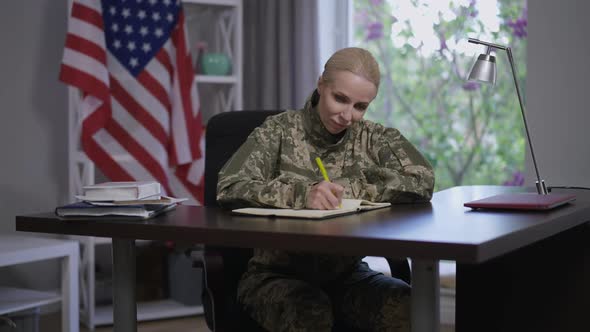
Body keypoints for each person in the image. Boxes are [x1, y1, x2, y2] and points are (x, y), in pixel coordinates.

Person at [217, 47, 435, 332]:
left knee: (409, 307)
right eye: (340, 99)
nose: (347, 115)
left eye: (360, 106)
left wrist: (355, 189)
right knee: (310, 313)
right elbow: (229, 185)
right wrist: (302, 195)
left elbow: (422, 179)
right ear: (322, 85)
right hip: (276, 276)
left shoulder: (372, 137)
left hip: (348, 275)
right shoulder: (279, 131)